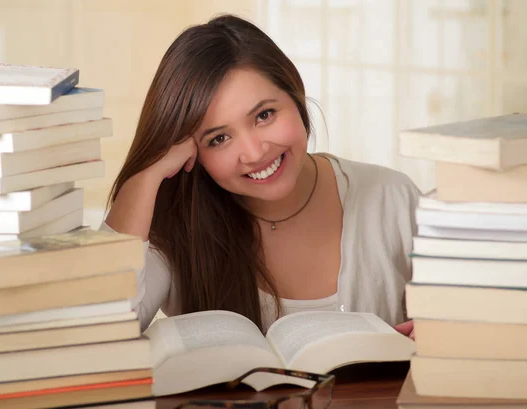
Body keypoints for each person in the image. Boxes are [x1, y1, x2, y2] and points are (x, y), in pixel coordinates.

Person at [101, 14, 420, 338]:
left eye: (264, 115)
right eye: (219, 139)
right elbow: (98, 336)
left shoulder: (392, 198)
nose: (254, 153)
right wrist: (143, 179)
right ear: (192, 153)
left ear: (294, 92)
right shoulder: (174, 229)